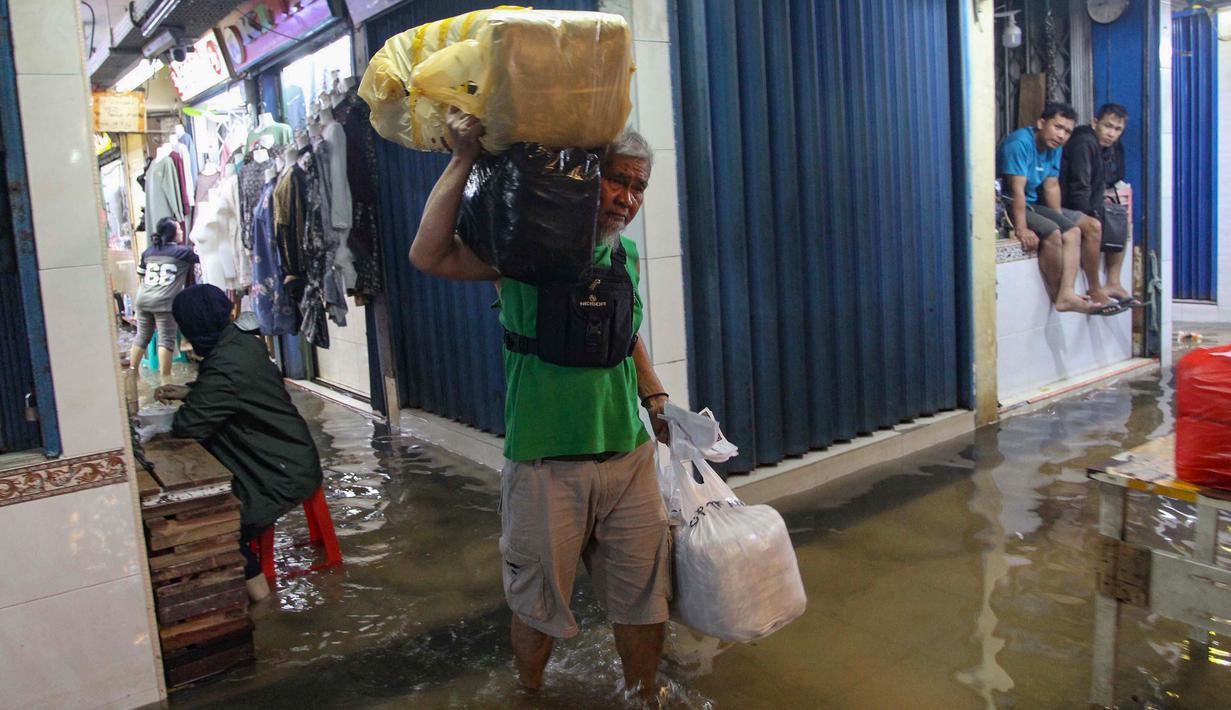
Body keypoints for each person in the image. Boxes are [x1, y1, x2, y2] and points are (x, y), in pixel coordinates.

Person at [411, 108, 672, 700]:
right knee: (537, 604)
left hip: (628, 461)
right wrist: (462, 159)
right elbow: (429, 255)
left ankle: (645, 697)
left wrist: (654, 395)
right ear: (586, 177)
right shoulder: (525, 251)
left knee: (645, 598)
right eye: (616, 180)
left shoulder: (624, 258)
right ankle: (530, 694)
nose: (627, 198)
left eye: (638, 187)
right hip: (545, 466)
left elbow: (623, 334)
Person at [154, 285, 323, 602]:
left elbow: (188, 426)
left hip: (279, 473)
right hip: (287, 455)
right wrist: (193, 391)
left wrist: (194, 400)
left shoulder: (223, 366)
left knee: (217, 525)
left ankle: (263, 601)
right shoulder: (241, 343)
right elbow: (239, 392)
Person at [998, 102, 1124, 316]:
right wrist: (1021, 229)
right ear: (1041, 123)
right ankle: (1058, 294)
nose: (1061, 135)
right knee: (1053, 234)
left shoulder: (1054, 148)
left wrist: (1060, 219)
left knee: (1072, 231)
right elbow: (1016, 190)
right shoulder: (1020, 143)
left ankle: (1068, 293)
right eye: (1057, 127)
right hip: (1006, 203)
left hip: (1032, 202)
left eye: (1067, 131)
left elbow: (1051, 186)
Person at [1060, 103, 1138, 306]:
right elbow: (1080, 184)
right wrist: (1088, 215)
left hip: (1086, 202)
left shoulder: (1109, 148)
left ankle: (1113, 282)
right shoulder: (1085, 142)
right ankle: (1094, 288)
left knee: (1119, 217)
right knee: (1093, 227)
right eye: (1108, 126)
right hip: (1064, 205)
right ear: (1095, 123)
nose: (1111, 133)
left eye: (1117, 129)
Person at [130, 217, 198, 377]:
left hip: (143, 299)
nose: (181, 231)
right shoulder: (184, 252)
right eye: (179, 229)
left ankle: (132, 373)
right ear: (173, 233)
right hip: (164, 301)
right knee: (166, 339)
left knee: (142, 335)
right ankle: (165, 379)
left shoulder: (148, 251)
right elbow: (204, 257)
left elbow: (141, 274)